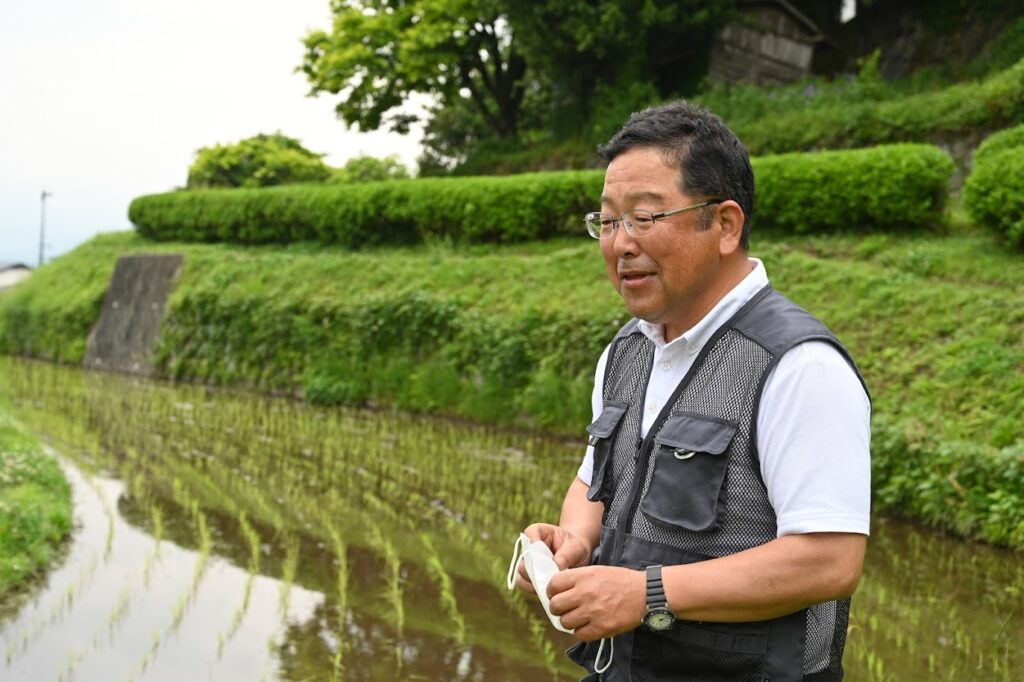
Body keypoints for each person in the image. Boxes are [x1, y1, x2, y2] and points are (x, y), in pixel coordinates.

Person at [514, 101, 871, 681]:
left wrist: (648, 593)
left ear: (724, 225)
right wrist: (574, 541)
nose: (620, 243)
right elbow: (593, 479)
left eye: (645, 217)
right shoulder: (626, 353)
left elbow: (829, 559)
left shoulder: (799, 366)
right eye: (607, 221)